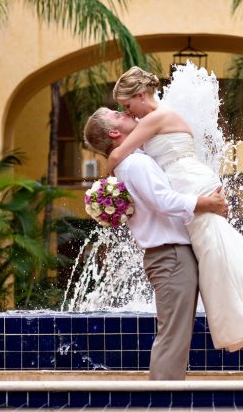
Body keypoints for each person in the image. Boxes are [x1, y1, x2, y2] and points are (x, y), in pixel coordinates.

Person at [102, 66, 243, 352]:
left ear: (141, 95)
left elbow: (116, 154)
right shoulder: (158, 116)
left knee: (223, 253)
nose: (129, 113)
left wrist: (102, 189)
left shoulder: (155, 117)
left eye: (128, 106)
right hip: (190, 182)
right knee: (219, 254)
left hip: (189, 184)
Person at [83, 107, 227, 380]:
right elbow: (163, 201)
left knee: (175, 336)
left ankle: (165, 407)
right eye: (116, 113)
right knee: (173, 337)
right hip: (170, 256)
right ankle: (162, 407)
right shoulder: (135, 164)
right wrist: (206, 203)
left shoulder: (134, 160)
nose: (124, 111)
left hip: (170, 255)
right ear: (114, 132)